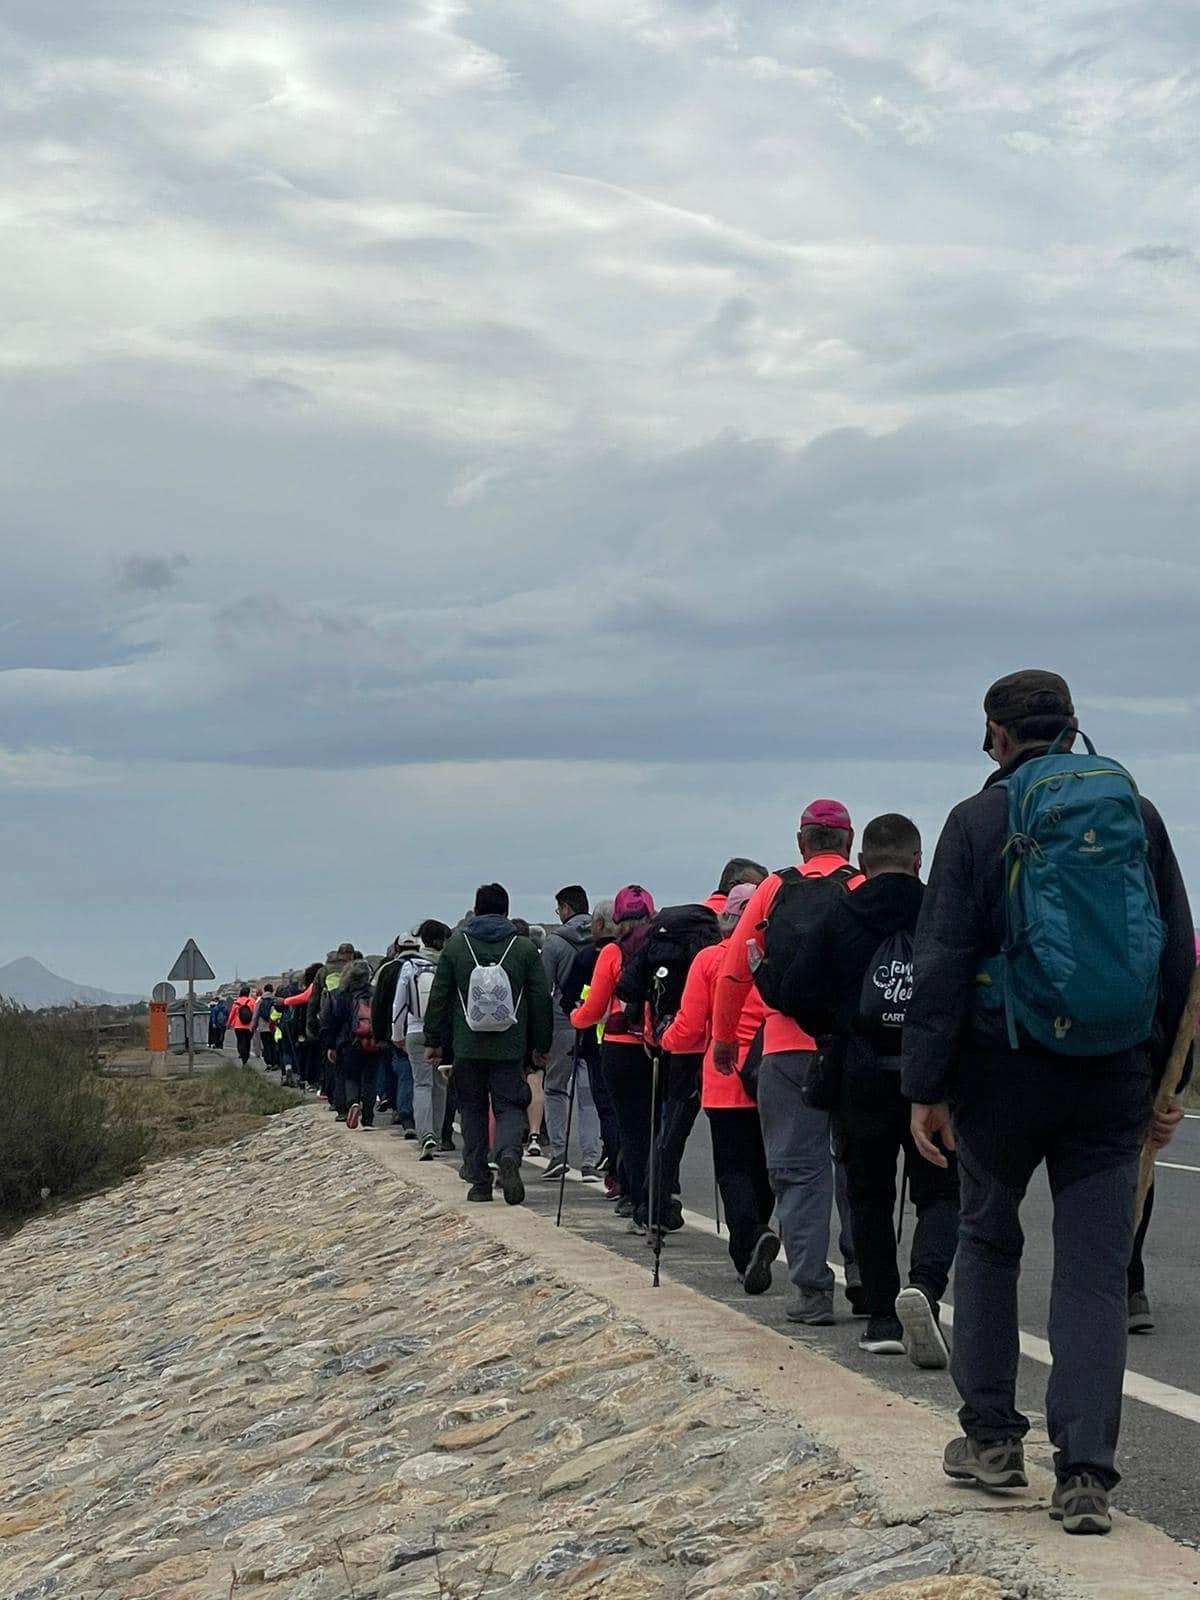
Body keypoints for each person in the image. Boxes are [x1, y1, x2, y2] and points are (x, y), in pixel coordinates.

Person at [903, 670, 1194, 1535]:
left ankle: (992, 1441)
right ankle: (1086, 1478)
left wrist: (925, 1087)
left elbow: (943, 963)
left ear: (995, 733)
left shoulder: (975, 821)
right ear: (1074, 726)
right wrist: (1161, 1081)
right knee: (1096, 1275)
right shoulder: (1135, 814)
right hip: (1110, 1074)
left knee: (990, 1243)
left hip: (1001, 1071)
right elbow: (1175, 954)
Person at [779, 814, 958, 1368]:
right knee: (941, 1193)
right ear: (918, 860)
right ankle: (924, 1291)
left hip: (861, 1073)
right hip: (934, 1073)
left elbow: (794, 992)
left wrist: (840, 1024)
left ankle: (882, 1315)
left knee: (869, 1196)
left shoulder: (840, 915)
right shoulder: (941, 911)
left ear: (861, 864)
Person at [713, 802, 864, 1324]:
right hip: (850, 1047)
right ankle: (865, 1277)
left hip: (785, 1048)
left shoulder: (775, 889)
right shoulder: (861, 887)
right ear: (847, 842)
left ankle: (812, 1291)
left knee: (800, 1174)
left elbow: (735, 968)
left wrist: (725, 1039)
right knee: (857, 1167)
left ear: (802, 841)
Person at [662, 882, 777, 1292]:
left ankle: (748, 1238)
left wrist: (665, 1040)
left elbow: (691, 1027)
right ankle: (761, 1227)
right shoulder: (773, 958)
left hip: (724, 1075)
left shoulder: (711, 959)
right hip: (771, 1071)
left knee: (732, 1167)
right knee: (764, 1167)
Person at [424, 884, 553, 1204]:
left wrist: (434, 1040)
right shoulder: (522, 949)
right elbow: (539, 999)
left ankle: (479, 1181)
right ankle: (508, 1155)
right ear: (506, 911)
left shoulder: (456, 947)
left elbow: (439, 996)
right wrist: (541, 1043)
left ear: (477, 909)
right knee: (510, 1107)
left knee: (472, 1110)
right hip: (510, 1046)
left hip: (467, 1046)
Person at [571, 886, 656, 1231]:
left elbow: (595, 1008)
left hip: (620, 1048)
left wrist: (577, 1019)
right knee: (656, 1127)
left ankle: (638, 1200)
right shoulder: (664, 948)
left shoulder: (612, 953)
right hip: (658, 1047)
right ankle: (662, 1195)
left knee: (630, 1129)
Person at [541, 886, 603, 1182]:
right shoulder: (602, 938)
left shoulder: (554, 943)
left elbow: (545, 989)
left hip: (562, 1021)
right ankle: (592, 1158)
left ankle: (558, 1153)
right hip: (596, 1020)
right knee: (589, 1094)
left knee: (555, 1089)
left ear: (565, 908)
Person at [392, 920, 451, 1158]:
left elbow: (400, 1004)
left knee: (421, 1084)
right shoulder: (448, 964)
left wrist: (397, 1035)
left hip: (416, 1031)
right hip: (443, 1033)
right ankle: (436, 1134)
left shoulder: (410, 967)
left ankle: (424, 1134)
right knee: (441, 1086)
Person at [321, 958, 380, 1128]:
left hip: (347, 1043)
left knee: (350, 1077)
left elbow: (331, 1023)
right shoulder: (375, 993)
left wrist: (330, 1046)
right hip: (372, 1042)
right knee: (370, 1079)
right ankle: (368, 1118)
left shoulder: (340, 995)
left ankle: (353, 1102)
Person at [307, 943, 357, 1101]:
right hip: (353, 1020)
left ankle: (335, 1099)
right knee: (353, 1062)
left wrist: (310, 1024)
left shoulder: (323, 972)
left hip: (328, 1020)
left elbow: (314, 999)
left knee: (330, 1061)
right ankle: (354, 1099)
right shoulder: (357, 968)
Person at [228, 985, 257, 1065]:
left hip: (238, 1026)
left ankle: (242, 1054)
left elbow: (232, 1014)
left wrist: (229, 1024)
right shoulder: (252, 1001)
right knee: (247, 1041)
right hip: (249, 1026)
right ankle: (246, 1056)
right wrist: (255, 1023)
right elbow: (255, 1013)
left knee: (240, 1041)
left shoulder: (236, 1002)